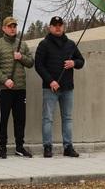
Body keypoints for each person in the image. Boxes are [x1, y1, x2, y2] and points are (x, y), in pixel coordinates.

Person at [34, 16, 85, 158]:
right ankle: (47, 147)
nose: (58, 27)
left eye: (60, 25)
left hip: (68, 88)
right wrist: (50, 81)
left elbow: (81, 61)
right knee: (48, 118)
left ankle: (68, 147)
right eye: (55, 25)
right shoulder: (43, 44)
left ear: (63, 27)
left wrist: (74, 63)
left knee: (67, 118)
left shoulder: (71, 44)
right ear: (50, 27)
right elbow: (38, 65)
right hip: (50, 88)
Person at [0, 16, 34, 158]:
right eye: (10, 26)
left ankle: (19, 147)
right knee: (3, 119)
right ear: (4, 28)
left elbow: (31, 62)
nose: (12, 28)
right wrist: (4, 80)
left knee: (20, 119)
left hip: (20, 88)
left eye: (14, 26)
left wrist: (21, 57)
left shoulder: (22, 45)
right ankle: (2, 148)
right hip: (5, 89)